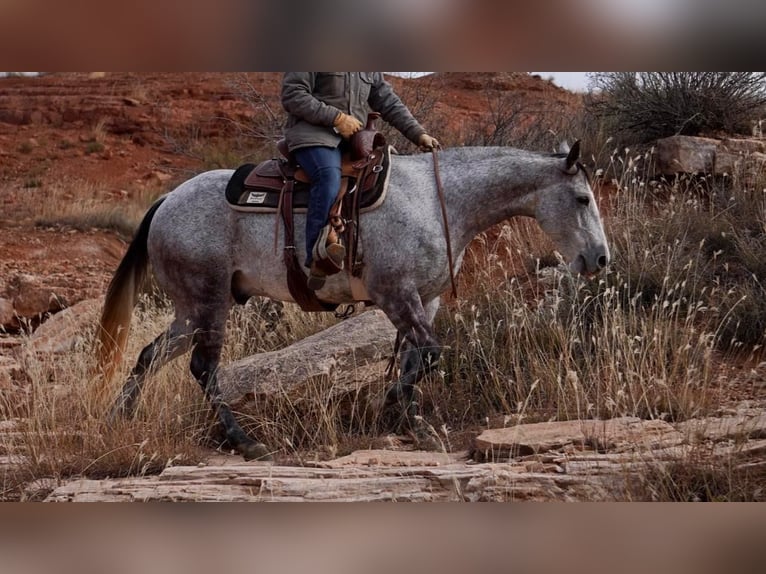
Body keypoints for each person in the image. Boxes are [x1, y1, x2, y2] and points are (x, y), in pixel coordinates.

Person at [281, 72, 440, 290]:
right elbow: (293, 95)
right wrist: (337, 118)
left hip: (352, 141)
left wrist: (418, 133)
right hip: (313, 135)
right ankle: (316, 254)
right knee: (328, 177)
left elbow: (386, 100)